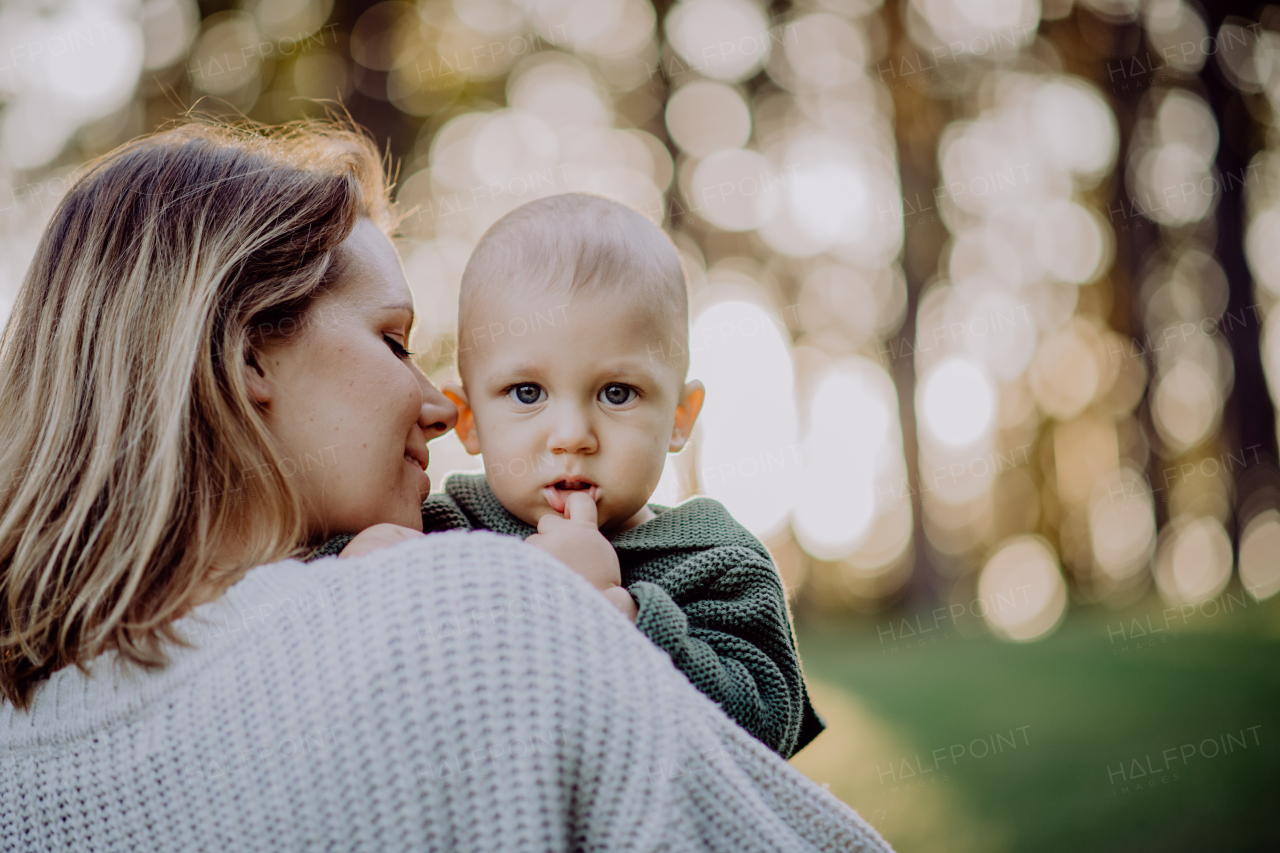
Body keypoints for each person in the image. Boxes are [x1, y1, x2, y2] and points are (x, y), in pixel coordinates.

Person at [0, 121, 893, 852]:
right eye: (394, 341)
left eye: (616, 391)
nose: (437, 406)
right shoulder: (471, 612)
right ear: (240, 357)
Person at [313, 194, 823, 759]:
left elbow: (766, 723)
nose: (573, 434)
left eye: (617, 393)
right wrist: (355, 567)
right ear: (470, 421)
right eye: (527, 393)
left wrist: (616, 613)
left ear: (679, 418)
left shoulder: (716, 559)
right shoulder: (442, 532)